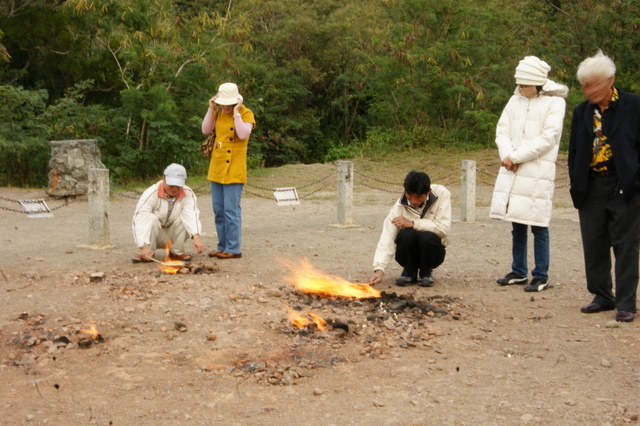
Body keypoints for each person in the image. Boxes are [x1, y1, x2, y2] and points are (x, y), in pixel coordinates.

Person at [568, 51, 640, 323]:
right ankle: (602, 295)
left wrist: (634, 181)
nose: (590, 90)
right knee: (594, 243)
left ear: (611, 80)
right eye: (586, 85)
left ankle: (625, 303)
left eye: (595, 84)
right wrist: (577, 183)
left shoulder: (634, 106)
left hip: (625, 186)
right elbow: (574, 150)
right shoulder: (582, 111)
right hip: (592, 186)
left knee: (626, 246)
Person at [490, 56, 568, 292]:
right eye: (520, 84)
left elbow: (548, 138)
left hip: (536, 170)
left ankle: (541, 274)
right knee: (517, 221)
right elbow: (502, 129)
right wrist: (507, 155)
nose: (521, 88)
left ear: (538, 84)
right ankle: (518, 270)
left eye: (525, 85)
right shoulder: (516, 99)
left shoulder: (555, 103)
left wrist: (515, 157)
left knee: (538, 223)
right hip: (512, 168)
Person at [201, 82, 256, 259]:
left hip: (234, 168)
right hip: (217, 166)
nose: (225, 106)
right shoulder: (218, 112)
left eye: (228, 103)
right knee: (218, 210)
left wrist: (237, 113)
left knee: (231, 211)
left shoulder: (246, 113)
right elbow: (206, 130)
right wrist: (211, 109)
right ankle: (222, 245)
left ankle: (233, 248)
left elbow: (242, 134)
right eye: (222, 103)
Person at [368, 171, 450, 287]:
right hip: (405, 255)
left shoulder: (442, 194)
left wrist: (413, 223)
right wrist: (379, 269)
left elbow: (444, 229)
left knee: (427, 236)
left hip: (433, 253)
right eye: (409, 196)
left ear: (428, 192)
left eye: (418, 197)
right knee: (407, 235)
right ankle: (409, 271)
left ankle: (426, 272)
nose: (413, 201)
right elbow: (387, 236)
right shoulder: (400, 205)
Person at [131, 163, 205, 262]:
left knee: (185, 218)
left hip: (174, 233)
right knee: (150, 218)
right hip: (154, 235)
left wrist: (196, 237)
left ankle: (177, 252)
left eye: (178, 186)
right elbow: (140, 218)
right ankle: (149, 252)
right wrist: (143, 246)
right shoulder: (151, 193)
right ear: (163, 178)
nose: (174, 189)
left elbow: (192, 214)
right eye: (171, 185)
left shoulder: (188, 193)